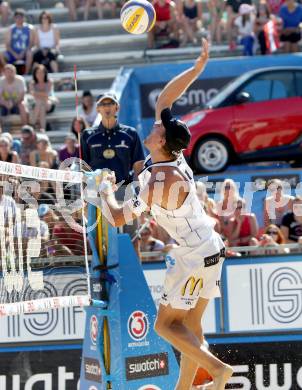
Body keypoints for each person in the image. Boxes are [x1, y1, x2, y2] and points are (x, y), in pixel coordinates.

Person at [97, 39, 233, 390]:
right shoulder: (171, 157)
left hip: (194, 254)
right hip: (210, 246)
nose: (154, 125)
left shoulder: (160, 181)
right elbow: (165, 100)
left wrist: (102, 189)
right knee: (190, 330)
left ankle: (218, 371)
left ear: (161, 141)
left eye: (158, 128)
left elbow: (116, 218)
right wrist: (198, 68)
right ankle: (184, 388)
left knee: (164, 327)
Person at [81, 92, 145, 186]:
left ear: (117, 107)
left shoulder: (131, 133)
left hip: (124, 190)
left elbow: (138, 164)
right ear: (97, 109)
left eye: (110, 104)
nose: (107, 107)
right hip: (96, 191)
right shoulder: (87, 135)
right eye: (103, 104)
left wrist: (137, 188)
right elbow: (84, 166)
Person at [4, 9, 35, 75]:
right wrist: (14, 53)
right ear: (14, 18)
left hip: (25, 52)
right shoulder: (11, 29)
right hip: (12, 52)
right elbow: (7, 45)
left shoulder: (30, 28)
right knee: (1, 56)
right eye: (17, 17)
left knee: (29, 53)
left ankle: (26, 73)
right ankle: (6, 73)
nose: (19, 19)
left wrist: (23, 52)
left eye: (21, 17)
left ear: (24, 18)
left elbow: (31, 43)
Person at [29, 64, 58, 131]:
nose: (40, 74)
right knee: (41, 106)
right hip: (39, 104)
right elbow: (33, 94)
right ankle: (43, 129)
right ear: (35, 74)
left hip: (48, 103)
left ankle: (32, 123)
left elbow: (47, 94)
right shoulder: (32, 83)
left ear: (45, 73)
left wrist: (37, 94)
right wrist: (42, 95)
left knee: (40, 103)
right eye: (38, 72)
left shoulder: (49, 81)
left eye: (42, 72)